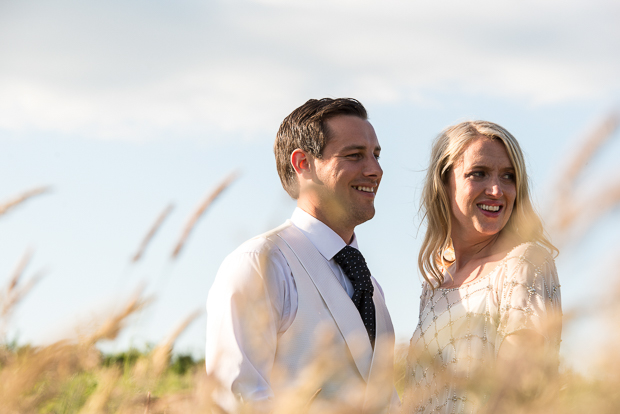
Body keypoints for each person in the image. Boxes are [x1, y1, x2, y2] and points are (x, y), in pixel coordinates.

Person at [206, 98, 400, 413]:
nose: (375, 170)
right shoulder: (261, 264)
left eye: (376, 156)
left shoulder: (372, 288)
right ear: (302, 163)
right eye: (354, 155)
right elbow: (236, 398)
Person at [404, 121, 562, 413]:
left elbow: (519, 389)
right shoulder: (434, 286)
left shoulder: (524, 262)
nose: (496, 190)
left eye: (508, 177)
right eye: (478, 174)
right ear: (444, 181)